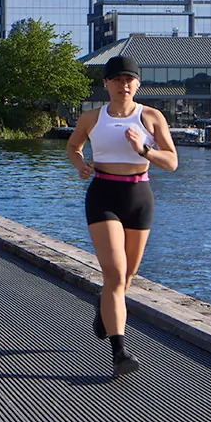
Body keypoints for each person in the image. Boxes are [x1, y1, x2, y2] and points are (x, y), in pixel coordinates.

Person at [65, 55, 179, 377]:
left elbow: (171, 162)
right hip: (103, 194)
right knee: (115, 273)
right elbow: (73, 146)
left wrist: (144, 150)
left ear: (137, 83)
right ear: (106, 84)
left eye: (129, 79)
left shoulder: (151, 117)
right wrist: (80, 164)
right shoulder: (92, 117)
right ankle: (119, 352)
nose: (123, 85)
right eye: (116, 80)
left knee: (126, 278)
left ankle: (105, 312)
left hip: (138, 196)